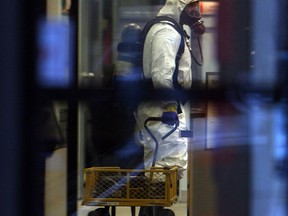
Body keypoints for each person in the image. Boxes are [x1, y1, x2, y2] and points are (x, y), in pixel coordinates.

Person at [134, 0, 204, 179]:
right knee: (165, 168)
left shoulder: (172, 29)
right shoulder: (166, 32)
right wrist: (171, 106)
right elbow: (161, 75)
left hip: (163, 107)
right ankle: (154, 206)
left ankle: (153, 207)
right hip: (163, 110)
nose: (194, 11)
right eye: (190, 6)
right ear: (178, 5)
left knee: (162, 166)